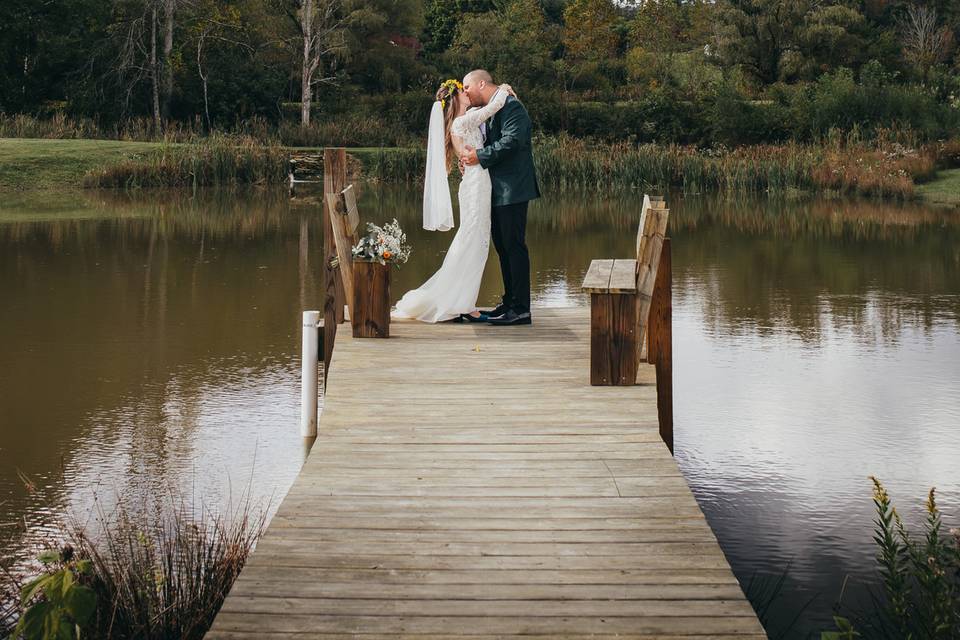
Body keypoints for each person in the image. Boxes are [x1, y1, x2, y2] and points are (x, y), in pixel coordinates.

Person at [392, 77, 515, 323]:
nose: (466, 92)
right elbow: (492, 107)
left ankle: (462, 301)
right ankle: (464, 305)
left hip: (476, 184)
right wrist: (503, 90)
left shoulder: (465, 119)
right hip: (476, 186)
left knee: (474, 241)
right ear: (455, 99)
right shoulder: (462, 121)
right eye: (462, 90)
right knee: (474, 242)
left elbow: (485, 112)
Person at [460, 69, 541, 326]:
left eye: (467, 87)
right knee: (503, 247)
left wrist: (479, 157)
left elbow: (512, 141)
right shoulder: (496, 106)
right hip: (497, 189)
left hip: (513, 189)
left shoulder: (512, 106)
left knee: (514, 246)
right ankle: (509, 302)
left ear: (481, 83)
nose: (465, 93)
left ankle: (521, 310)